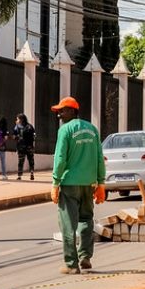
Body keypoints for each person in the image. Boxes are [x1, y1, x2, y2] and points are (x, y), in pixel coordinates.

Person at [50, 96, 106, 275]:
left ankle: (71, 264)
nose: (59, 115)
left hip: (69, 183)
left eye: (63, 110)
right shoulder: (92, 129)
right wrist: (101, 183)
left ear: (73, 111)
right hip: (89, 183)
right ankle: (85, 257)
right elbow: (99, 157)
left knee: (68, 224)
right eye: (58, 111)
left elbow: (60, 159)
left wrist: (55, 182)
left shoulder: (65, 130)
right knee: (86, 219)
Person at [13, 113, 36, 181]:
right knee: (31, 160)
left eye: (17, 119)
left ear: (21, 119)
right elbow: (34, 136)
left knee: (21, 161)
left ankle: (19, 175)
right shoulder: (30, 126)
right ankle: (32, 173)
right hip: (29, 147)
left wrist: (17, 138)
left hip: (21, 147)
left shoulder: (17, 127)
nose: (16, 120)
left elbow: (14, 136)